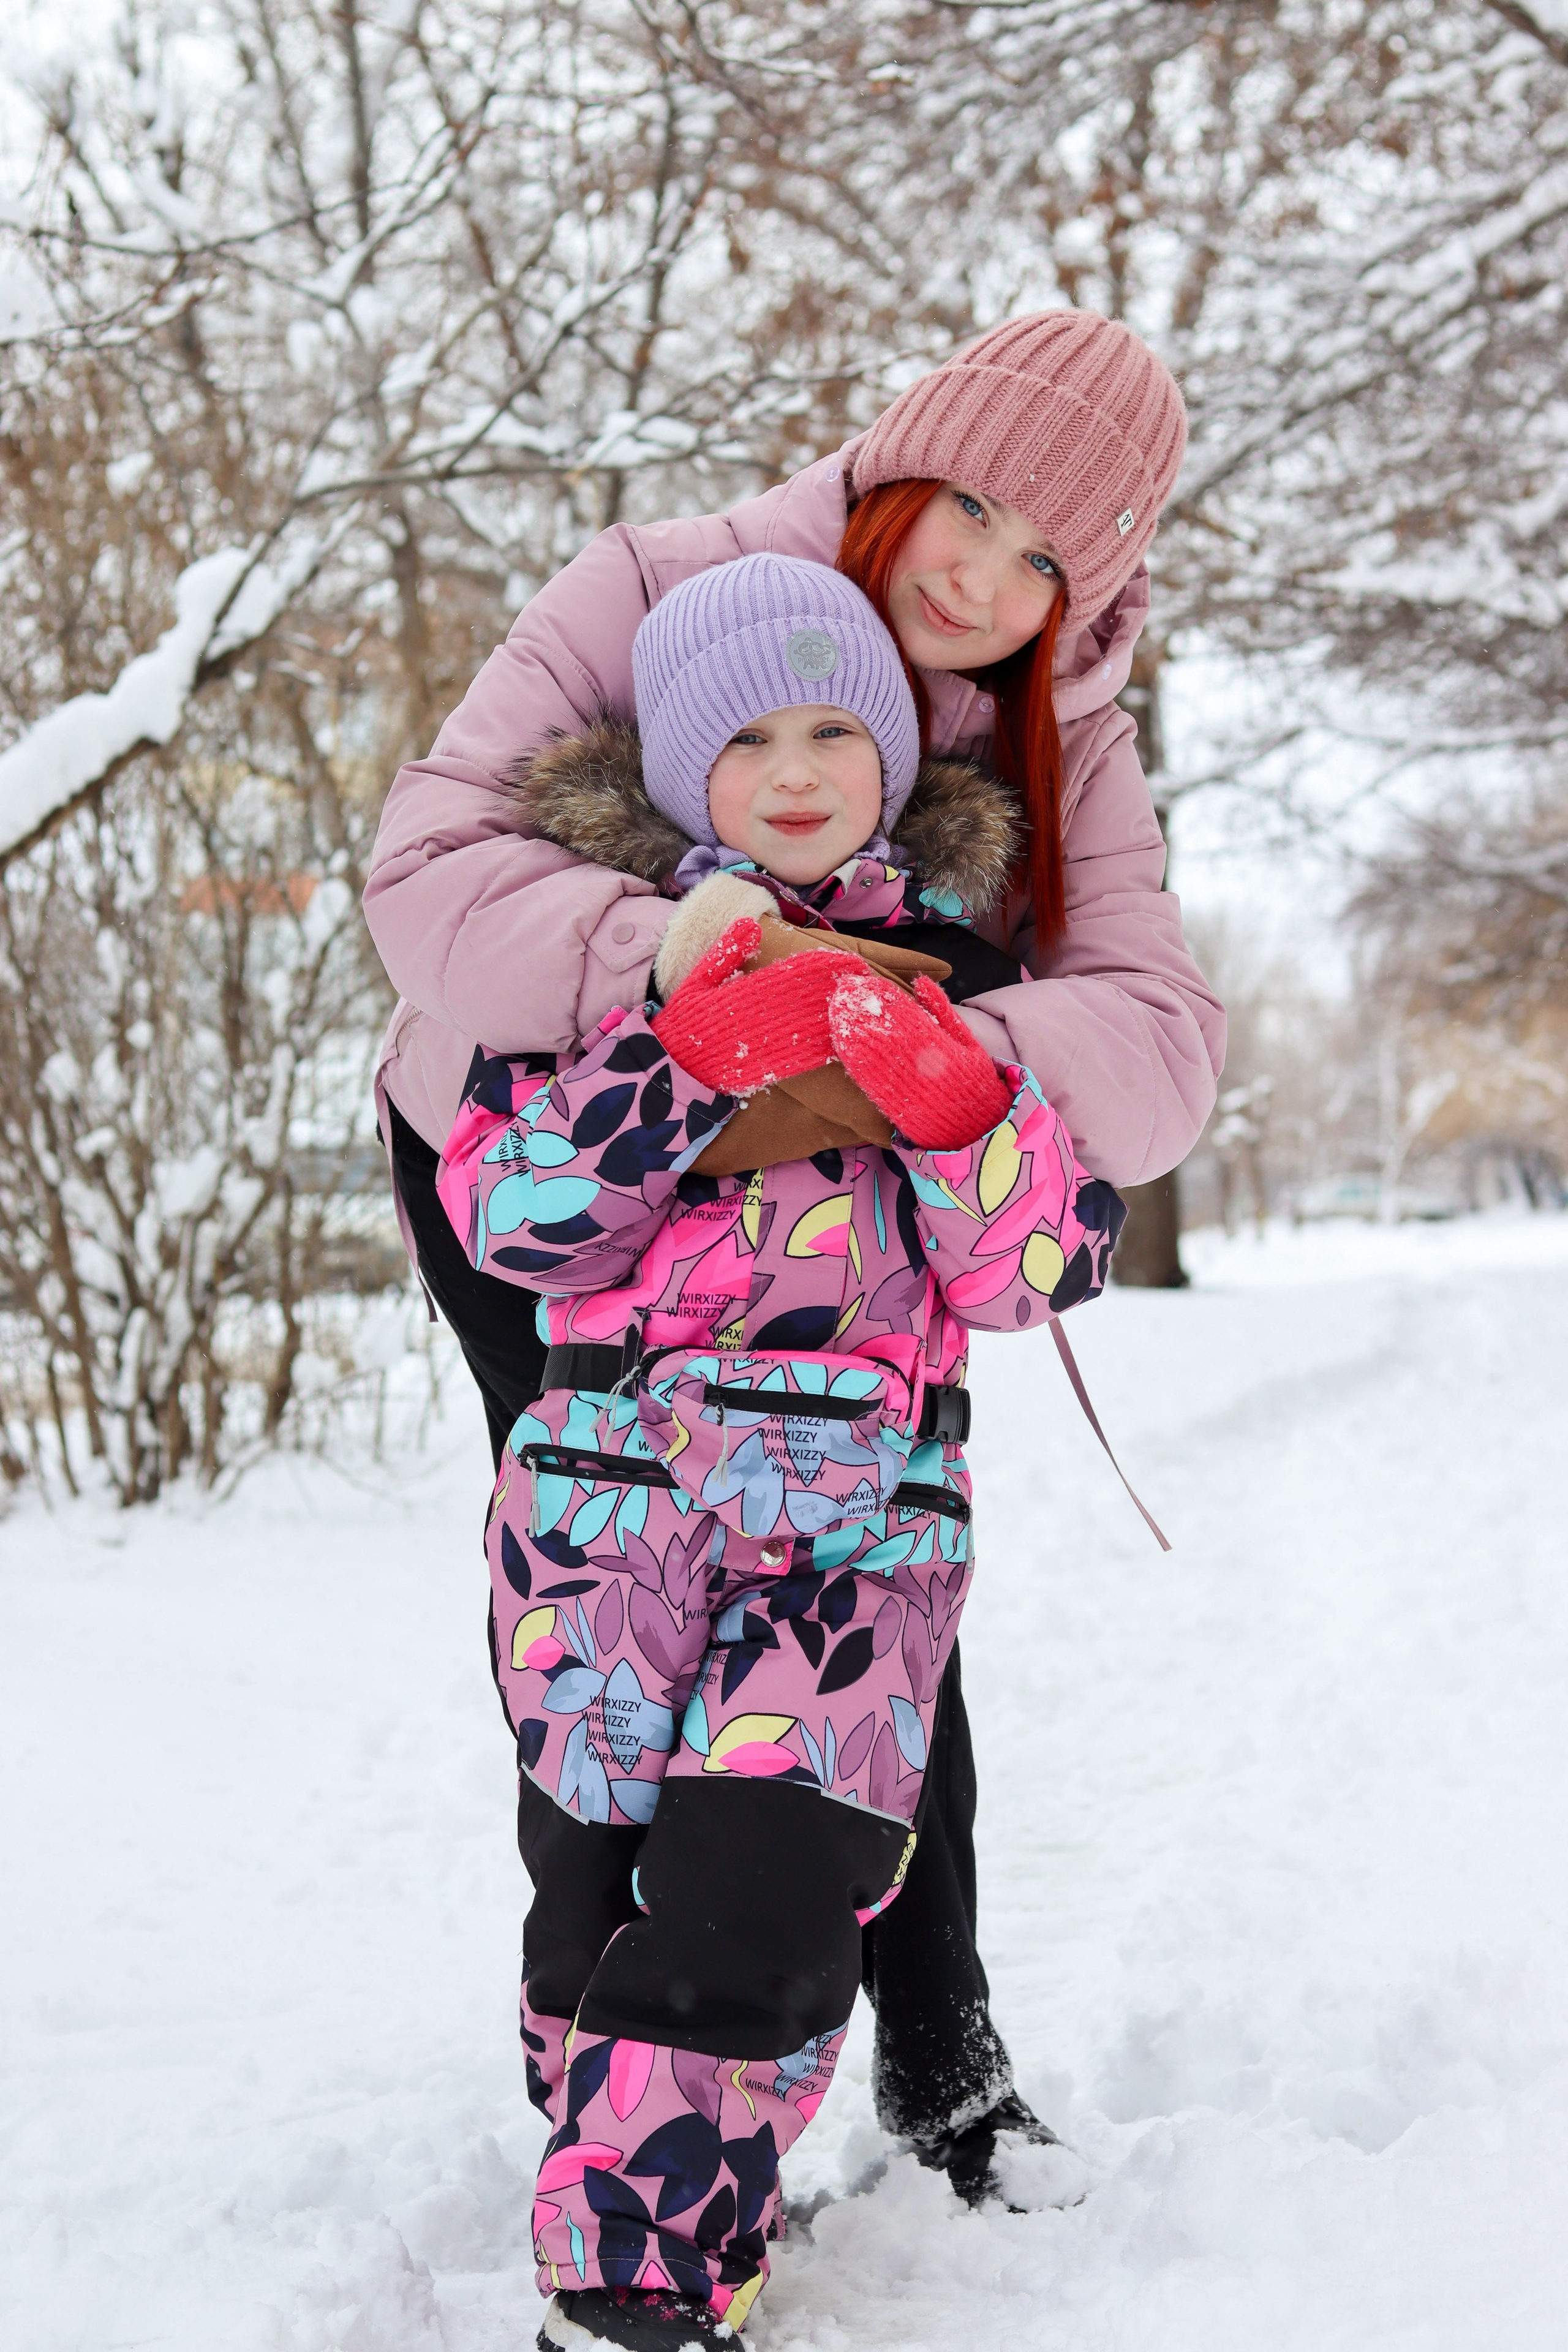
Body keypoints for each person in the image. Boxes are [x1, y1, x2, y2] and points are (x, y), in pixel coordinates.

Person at [364, 309, 1226, 2202]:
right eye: (974, 508)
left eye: (1050, 560)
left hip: (860, 1211)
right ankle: (601, 2019)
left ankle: (938, 2067)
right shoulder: (656, 587)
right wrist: (659, 963)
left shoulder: (1059, 733)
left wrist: (933, 1054)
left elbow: (1160, 1055)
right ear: (908, 452)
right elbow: (424, 878)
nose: (986, 578)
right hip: (551, 1176)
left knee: (862, 1578)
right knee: (619, 1581)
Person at [435, 554, 1125, 2351]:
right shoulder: (586, 976)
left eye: (838, 729)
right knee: (592, 1911)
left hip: (853, 1543)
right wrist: (678, 1062)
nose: (799, 768)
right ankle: (644, 2140)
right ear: (679, 771)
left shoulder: (955, 984)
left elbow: (1041, 1265)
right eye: (748, 738)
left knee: (776, 1878)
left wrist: (966, 1106)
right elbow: (508, 1218)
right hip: (607, 1515)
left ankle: (633, 2283)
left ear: (893, 763)